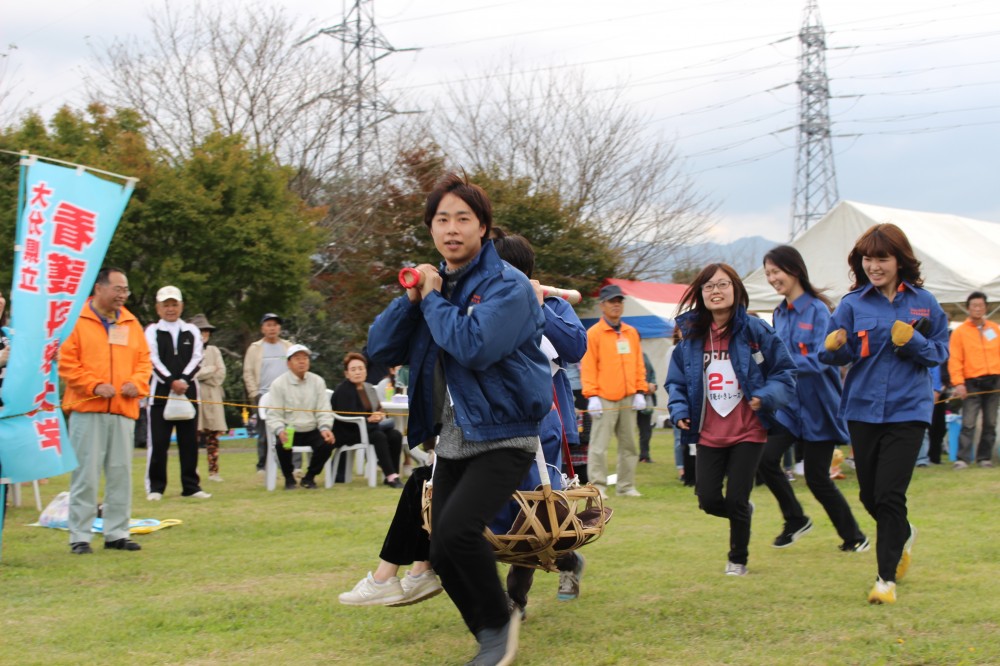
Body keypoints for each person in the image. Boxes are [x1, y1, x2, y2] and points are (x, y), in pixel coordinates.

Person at [340, 232, 589, 619]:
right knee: (438, 498)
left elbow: (575, 346)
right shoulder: (471, 310)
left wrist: (538, 304)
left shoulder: (547, 304)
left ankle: (518, 596)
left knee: (529, 517)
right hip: (477, 429)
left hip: (538, 431)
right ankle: (416, 573)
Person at [367, 172, 550, 666]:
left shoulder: (507, 287)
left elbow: (475, 345)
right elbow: (380, 349)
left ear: (484, 227)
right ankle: (493, 631)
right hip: (453, 437)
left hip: (505, 432)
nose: (451, 228)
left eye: (463, 219)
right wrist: (411, 300)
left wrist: (431, 299)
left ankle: (497, 629)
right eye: (441, 219)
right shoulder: (436, 288)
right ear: (430, 229)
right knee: (442, 550)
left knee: (457, 533)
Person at [819, 223, 949, 604]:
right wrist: (832, 347)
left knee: (890, 494)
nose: (874, 266)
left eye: (882, 258)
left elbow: (940, 353)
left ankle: (885, 580)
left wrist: (916, 341)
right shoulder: (852, 304)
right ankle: (903, 532)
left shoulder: (925, 302)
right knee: (869, 496)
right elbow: (832, 355)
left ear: (899, 260)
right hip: (862, 408)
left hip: (909, 408)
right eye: (868, 259)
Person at [665, 263, 795, 576]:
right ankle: (741, 513)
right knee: (708, 499)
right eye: (709, 286)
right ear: (700, 294)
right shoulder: (691, 337)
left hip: (748, 429)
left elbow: (784, 371)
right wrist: (680, 411)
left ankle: (738, 559)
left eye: (723, 285)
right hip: (708, 431)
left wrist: (766, 396)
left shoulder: (755, 330)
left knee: (737, 496)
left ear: (736, 290)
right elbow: (677, 382)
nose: (716, 292)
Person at [758, 245, 869, 552]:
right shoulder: (778, 313)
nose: (771, 278)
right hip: (789, 408)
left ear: (793, 270)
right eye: (767, 273)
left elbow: (824, 359)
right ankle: (795, 519)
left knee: (818, 479)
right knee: (765, 459)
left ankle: (855, 538)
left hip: (820, 407)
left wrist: (785, 365)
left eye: (775, 271)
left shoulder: (819, 310)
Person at [60, 267, 152, 553]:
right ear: (99, 288)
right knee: (85, 475)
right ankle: (80, 536)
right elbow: (66, 362)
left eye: (125, 290)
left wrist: (135, 384)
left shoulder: (131, 322)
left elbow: (144, 363)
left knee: (120, 474)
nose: (123, 295)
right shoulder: (77, 319)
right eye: (118, 289)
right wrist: (94, 386)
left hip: (123, 411)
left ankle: (116, 533)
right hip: (88, 411)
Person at [581, 284, 648, 498]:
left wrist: (640, 390)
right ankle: (598, 486)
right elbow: (588, 365)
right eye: (612, 301)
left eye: (619, 301)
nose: (616, 305)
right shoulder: (594, 333)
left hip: (629, 396)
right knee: (599, 445)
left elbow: (638, 363)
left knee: (629, 445)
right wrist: (591, 395)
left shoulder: (631, 332)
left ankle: (626, 485)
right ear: (602, 305)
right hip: (604, 396)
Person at [145, 286, 209, 500]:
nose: (170, 309)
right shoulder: (152, 330)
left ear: (181, 306)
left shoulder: (191, 330)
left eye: (174, 304)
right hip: (160, 395)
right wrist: (171, 381)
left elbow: (197, 357)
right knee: (159, 442)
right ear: (158, 308)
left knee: (189, 442)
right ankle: (156, 487)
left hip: (189, 394)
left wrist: (183, 380)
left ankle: (191, 486)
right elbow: (151, 359)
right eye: (166, 305)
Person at [265, 344, 336, 490]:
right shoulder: (278, 384)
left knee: (328, 443)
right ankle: (289, 479)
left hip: (312, 428)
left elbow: (324, 410)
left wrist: (325, 428)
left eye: (305, 358)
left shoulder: (318, 381)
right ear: (288, 363)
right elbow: (274, 414)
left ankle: (309, 477)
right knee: (281, 444)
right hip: (290, 429)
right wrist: (280, 430)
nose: (302, 361)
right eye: (297, 358)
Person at [330, 352, 404, 488]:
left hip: (370, 428)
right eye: (353, 369)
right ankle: (391, 476)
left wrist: (379, 415)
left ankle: (394, 474)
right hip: (349, 431)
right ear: (347, 373)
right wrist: (368, 418)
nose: (358, 372)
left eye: (361, 368)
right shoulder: (342, 390)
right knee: (379, 436)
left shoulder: (369, 387)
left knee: (395, 435)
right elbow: (346, 415)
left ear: (366, 371)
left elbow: (378, 407)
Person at [948, 291, 1000, 469]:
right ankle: (962, 459)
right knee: (968, 421)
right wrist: (958, 383)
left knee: (991, 422)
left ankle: (984, 457)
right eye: (974, 306)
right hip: (972, 382)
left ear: (986, 307)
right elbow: (954, 358)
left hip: (994, 380)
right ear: (969, 308)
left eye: (981, 305)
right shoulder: (960, 332)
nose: (977, 309)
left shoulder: (994, 328)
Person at [243, 313, 294, 475]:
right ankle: (262, 465)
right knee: (264, 432)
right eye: (268, 325)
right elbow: (248, 372)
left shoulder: (288, 346)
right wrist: (254, 393)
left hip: (286, 395)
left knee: (289, 430)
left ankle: (290, 465)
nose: (272, 328)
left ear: (279, 328)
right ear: (262, 328)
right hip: (264, 395)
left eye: (275, 325)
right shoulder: (255, 348)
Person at [190, 314, 227, 482]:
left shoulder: (214, 351)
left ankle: (214, 471)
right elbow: (192, 374)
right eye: (200, 331)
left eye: (206, 331)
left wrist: (205, 373)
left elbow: (220, 373)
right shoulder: (189, 351)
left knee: (213, 436)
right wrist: (208, 370)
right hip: (195, 395)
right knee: (194, 435)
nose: (204, 334)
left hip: (213, 395)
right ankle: (193, 471)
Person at [637, 350, 657, 463]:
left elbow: (652, 374)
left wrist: (652, 384)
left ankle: (644, 455)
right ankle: (629, 456)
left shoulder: (643, 355)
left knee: (646, 429)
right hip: (628, 397)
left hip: (645, 398)